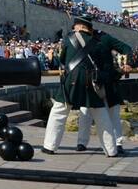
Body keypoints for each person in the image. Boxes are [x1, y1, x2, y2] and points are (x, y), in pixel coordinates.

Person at [42, 17, 130, 157]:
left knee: (58, 112)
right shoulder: (99, 43)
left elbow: (63, 61)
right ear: (88, 27)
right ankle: (111, 150)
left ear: (78, 27)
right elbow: (103, 66)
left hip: (71, 81)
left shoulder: (68, 39)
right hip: (92, 82)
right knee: (102, 117)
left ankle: (49, 146)